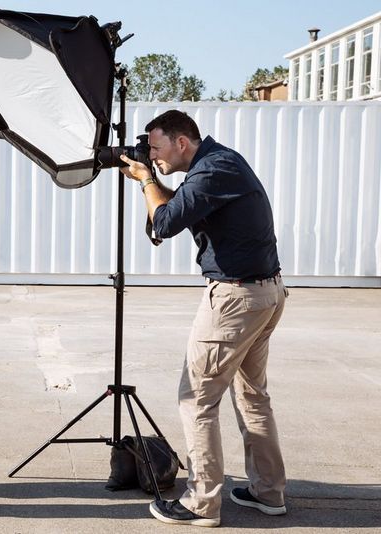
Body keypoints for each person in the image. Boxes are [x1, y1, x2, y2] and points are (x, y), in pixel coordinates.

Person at [120, 110, 287, 528]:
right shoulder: (220, 163)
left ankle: (200, 504)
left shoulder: (211, 172)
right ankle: (268, 492)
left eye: (156, 148)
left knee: (196, 400)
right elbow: (174, 210)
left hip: (235, 299)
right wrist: (151, 178)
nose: (152, 156)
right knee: (252, 396)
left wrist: (145, 180)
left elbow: (165, 221)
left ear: (181, 143)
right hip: (264, 293)